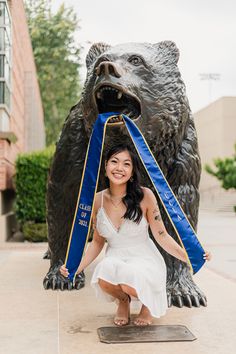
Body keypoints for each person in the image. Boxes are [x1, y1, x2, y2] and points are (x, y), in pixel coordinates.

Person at [60, 143, 211, 326]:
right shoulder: (97, 200)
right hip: (116, 256)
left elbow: (161, 235)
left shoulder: (145, 196)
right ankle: (123, 301)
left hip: (144, 258)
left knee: (129, 278)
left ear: (132, 172)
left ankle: (147, 305)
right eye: (114, 162)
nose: (119, 168)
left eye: (126, 164)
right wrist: (77, 267)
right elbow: (97, 242)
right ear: (106, 167)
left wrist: (188, 256)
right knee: (103, 275)